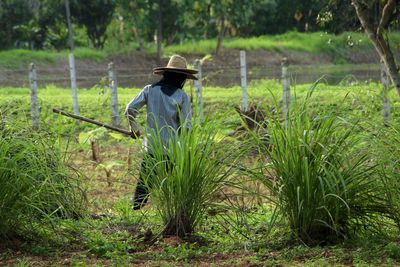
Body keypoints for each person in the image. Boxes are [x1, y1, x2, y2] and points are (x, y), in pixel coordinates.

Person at [125, 55, 198, 210]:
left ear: (166, 74)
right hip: (173, 150)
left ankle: (135, 212)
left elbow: (130, 109)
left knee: (144, 184)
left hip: (151, 148)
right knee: (174, 186)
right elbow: (187, 127)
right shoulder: (182, 97)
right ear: (181, 78)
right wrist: (189, 150)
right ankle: (171, 213)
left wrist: (135, 129)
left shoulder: (149, 90)